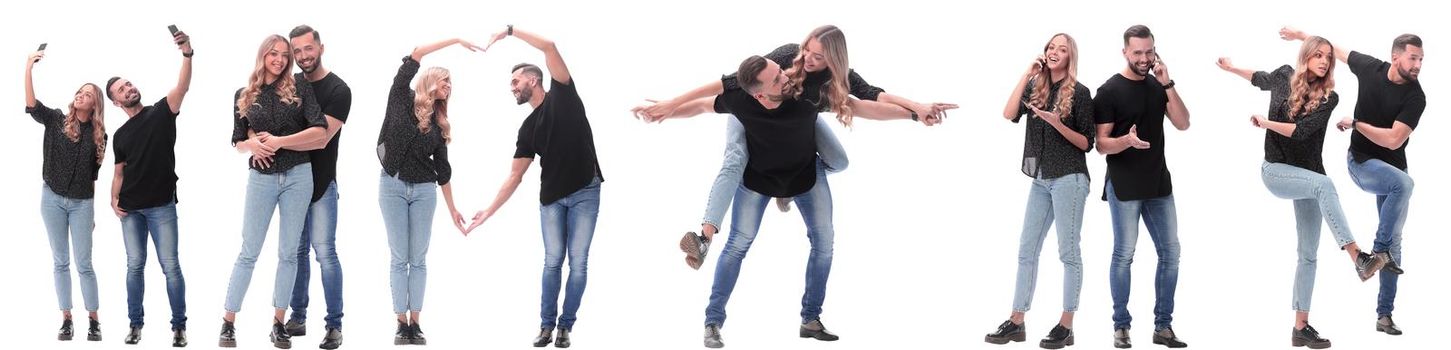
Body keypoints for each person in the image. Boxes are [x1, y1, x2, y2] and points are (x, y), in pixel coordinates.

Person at [645, 54, 917, 348]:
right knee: (737, 245)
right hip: (758, 180)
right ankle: (712, 322)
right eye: (777, 78)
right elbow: (700, 105)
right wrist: (665, 111)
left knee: (824, 243)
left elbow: (861, 107)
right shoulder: (739, 102)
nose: (786, 77)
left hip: (805, 176)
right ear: (760, 94)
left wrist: (914, 114)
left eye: (781, 71)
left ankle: (810, 320)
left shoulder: (806, 94)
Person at [632, 25, 954, 270]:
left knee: (839, 161)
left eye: (819, 57)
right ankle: (704, 238)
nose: (809, 60)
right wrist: (670, 105)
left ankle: (785, 186)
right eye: (808, 51)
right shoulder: (785, 57)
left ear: (834, 60)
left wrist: (915, 111)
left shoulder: (834, 80)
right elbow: (724, 86)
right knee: (734, 161)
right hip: (753, 113)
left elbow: (872, 100)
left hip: (798, 120)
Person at [1218, 35, 1389, 349]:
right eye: (1319, 55)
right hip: (1276, 171)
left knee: (1308, 255)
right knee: (1324, 184)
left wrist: (1267, 122)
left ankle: (1301, 327)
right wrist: (1230, 68)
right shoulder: (1284, 75)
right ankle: (1358, 257)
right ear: (1307, 56)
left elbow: (1300, 133)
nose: (1324, 61)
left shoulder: (1329, 99)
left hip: (1310, 178)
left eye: (1328, 57)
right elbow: (1259, 79)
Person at [465, 26, 603, 349]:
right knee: (552, 261)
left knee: (578, 262)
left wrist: (510, 31)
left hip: (585, 190)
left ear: (533, 80)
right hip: (551, 200)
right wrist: (487, 211)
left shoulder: (564, 97)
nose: (512, 88)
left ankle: (566, 327)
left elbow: (551, 46)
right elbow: (514, 176)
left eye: (515, 81)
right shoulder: (527, 128)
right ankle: (546, 326)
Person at [1281, 27, 1423, 336]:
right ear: (1395, 57)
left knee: (1396, 235)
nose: (1417, 65)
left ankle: (1384, 315)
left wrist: (1358, 123)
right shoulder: (1371, 68)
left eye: (1421, 60)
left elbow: (1394, 140)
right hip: (1361, 163)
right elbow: (1336, 49)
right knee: (1405, 187)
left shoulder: (1416, 95)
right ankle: (1379, 250)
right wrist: (1299, 36)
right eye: (1413, 58)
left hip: (1392, 170)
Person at [983, 33, 1094, 350]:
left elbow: (1088, 143)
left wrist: (1057, 123)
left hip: (1070, 178)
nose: (1054, 51)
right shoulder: (1035, 88)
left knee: (1068, 253)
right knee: (1026, 249)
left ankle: (1066, 325)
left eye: (1062, 48)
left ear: (1070, 57)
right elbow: (1008, 114)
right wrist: (1026, 74)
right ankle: (1016, 322)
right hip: (1041, 179)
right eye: (1051, 47)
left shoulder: (1081, 93)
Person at [220, 33, 328, 349]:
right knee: (248, 251)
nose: (279, 60)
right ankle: (228, 322)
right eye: (273, 54)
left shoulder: (300, 88)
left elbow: (319, 129)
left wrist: (281, 142)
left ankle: (278, 323)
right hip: (262, 179)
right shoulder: (244, 94)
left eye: (284, 55)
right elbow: (237, 141)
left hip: (298, 175)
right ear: (263, 56)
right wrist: (251, 144)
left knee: (289, 253)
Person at [376, 37, 479, 346]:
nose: (449, 86)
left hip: (424, 191)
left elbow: (443, 171)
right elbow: (416, 53)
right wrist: (457, 40)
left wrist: (453, 210)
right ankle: (400, 322)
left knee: (418, 259)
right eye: (445, 80)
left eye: (451, 83)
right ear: (431, 81)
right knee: (399, 257)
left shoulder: (440, 122)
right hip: (392, 186)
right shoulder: (400, 97)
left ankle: (416, 325)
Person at [1092, 25, 1190, 349]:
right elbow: (1101, 144)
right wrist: (1127, 141)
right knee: (1124, 255)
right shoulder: (1108, 91)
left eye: (1149, 52)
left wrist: (1167, 83)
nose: (1144, 58)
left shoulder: (1158, 85)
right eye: (1137, 53)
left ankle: (1163, 327)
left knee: (1171, 254)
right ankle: (1121, 326)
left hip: (1159, 183)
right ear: (1125, 52)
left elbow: (1183, 123)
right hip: (1125, 185)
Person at [106, 27, 193, 347]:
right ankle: (135, 325)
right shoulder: (120, 136)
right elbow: (118, 172)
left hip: (161, 206)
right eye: (120, 89)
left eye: (128, 83)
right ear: (115, 102)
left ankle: (179, 327)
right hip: (130, 210)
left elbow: (182, 85)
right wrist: (112, 199)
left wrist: (187, 52)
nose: (127, 88)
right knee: (134, 267)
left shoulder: (161, 112)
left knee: (170, 266)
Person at [275, 24, 352, 350]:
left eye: (309, 49)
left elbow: (321, 138)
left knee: (325, 253)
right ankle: (298, 316)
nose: (303, 56)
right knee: (294, 253)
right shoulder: (289, 85)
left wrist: (278, 142)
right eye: (297, 51)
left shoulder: (338, 90)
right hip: (291, 183)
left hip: (321, 186)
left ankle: (334, 325)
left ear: (320, 47)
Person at [26, 47, 108, 343]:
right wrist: (28, 68)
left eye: (88, 94)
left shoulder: (100, 136)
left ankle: (94, 320)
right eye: (80, 91)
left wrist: (93, 214)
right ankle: (66, 319)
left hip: (82, 204)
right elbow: (32, 105)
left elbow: (93, 176)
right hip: (51, 199)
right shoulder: (56, 119)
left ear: (95, 103)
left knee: (84, 263)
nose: (81, 95)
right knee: (60, 261)